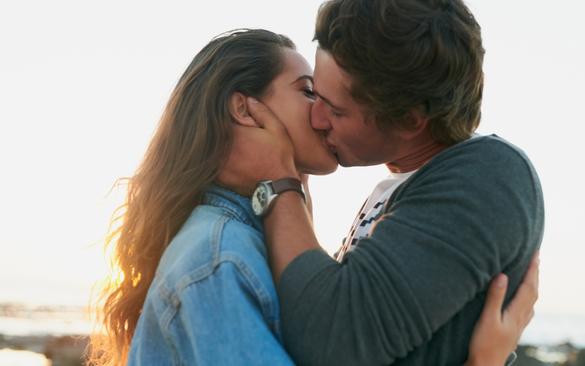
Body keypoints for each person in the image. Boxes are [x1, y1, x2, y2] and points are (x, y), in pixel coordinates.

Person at [88, 29, 537, 366]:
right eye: (307, 91)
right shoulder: (219, 257)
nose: (320, 114)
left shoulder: (251, 240)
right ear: (245, 109)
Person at [215, 0, 545, 365]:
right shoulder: (405, 184)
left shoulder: (486, 178)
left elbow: (332, 339)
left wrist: (279, 181)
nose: (317, 117)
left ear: (408, 120)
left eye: (336, 109)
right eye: (313, 93)